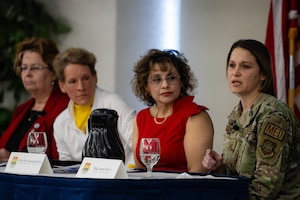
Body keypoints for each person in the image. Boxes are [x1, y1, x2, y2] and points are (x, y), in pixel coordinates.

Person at [202, 39, 300, 199]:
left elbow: (266, 188)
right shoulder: (237, 113)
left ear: (263, 74)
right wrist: (219, 167)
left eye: (245, 66)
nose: (235, 72)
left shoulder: (273, 115)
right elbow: (238, 175)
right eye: (232, 65)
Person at [131, 49, 214, 173]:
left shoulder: (195, 115)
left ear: (181, 81)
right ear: (146, 87)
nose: (165, 85)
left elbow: (197, 174)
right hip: (147, 190)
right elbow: (140, 170)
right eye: (157, 79)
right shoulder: (141, 118)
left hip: (182, 190)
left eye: (171, 78)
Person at [52, 47, 136, 167]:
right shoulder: (60, 122)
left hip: (122, 179)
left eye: (85, 78)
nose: (81, 87)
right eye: (72, 81)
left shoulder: (114, 104)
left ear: (95, 77)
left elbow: (137, 146)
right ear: (62, 86)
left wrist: (128, 174)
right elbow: (66, 165)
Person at [0, 38, 70, 162]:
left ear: (53, 72)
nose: (27, 73)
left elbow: (59, 158)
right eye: (23, 67)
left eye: (35, 68)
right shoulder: (22, 109)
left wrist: (14, 159)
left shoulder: (66, 106)